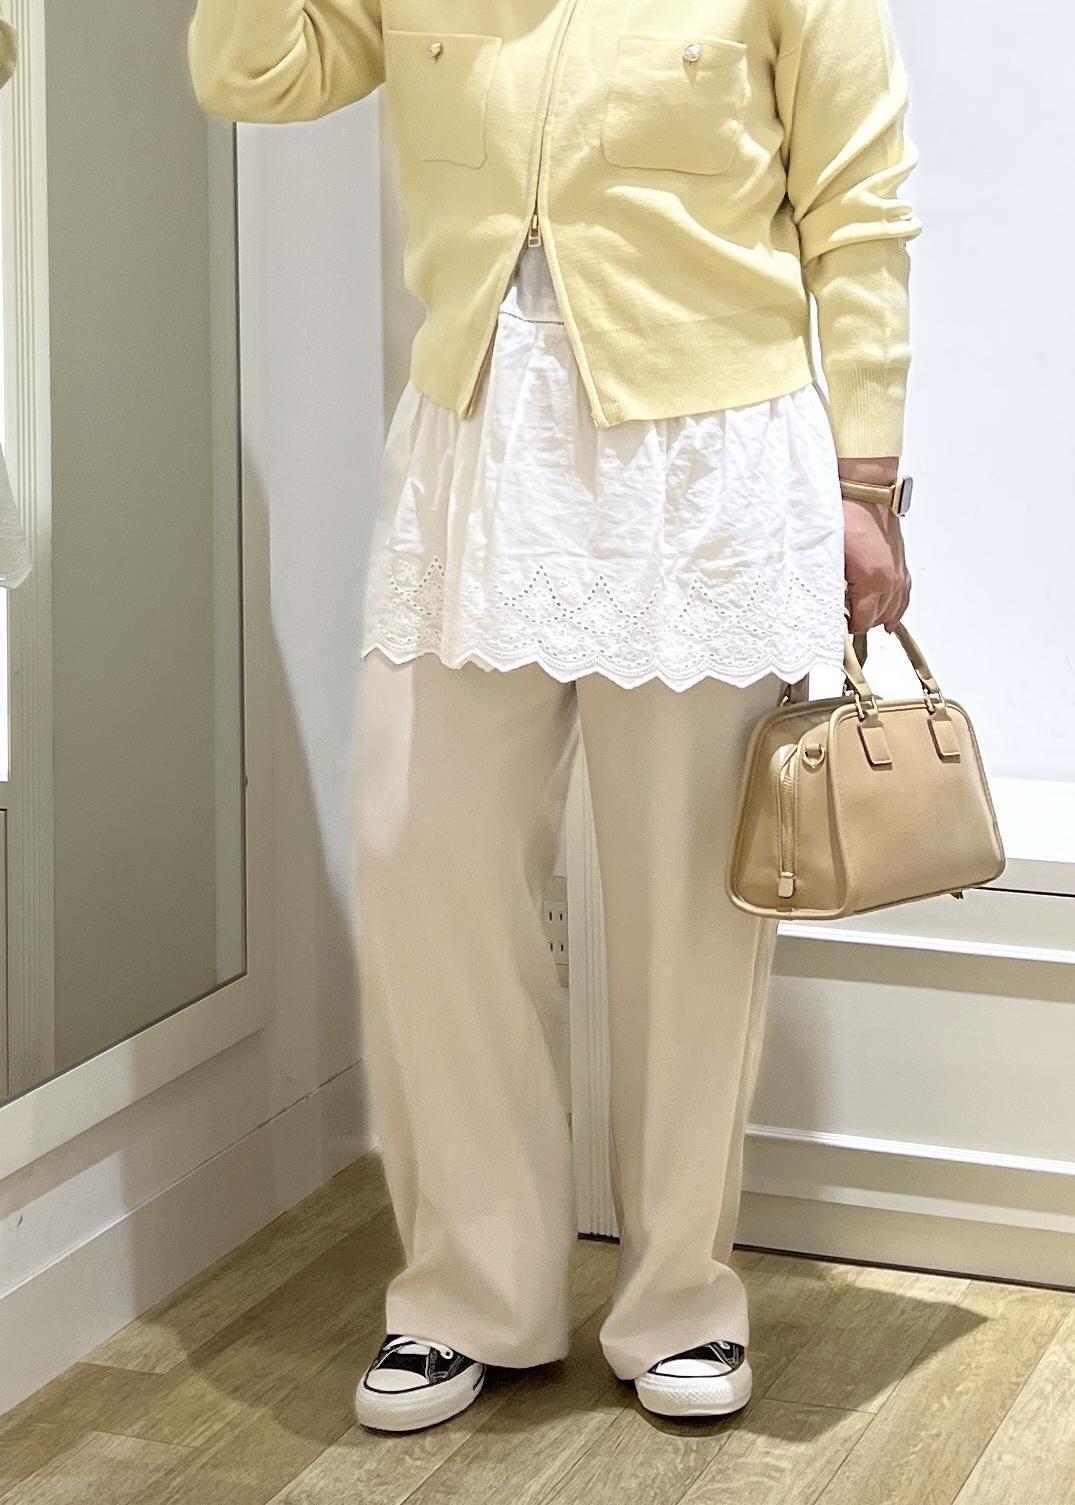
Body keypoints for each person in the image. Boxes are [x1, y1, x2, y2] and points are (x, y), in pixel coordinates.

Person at [187, 0, 920, 1432]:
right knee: (420, 853)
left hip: (701, 460)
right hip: (479, 442)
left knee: (687, 902)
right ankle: (475, 1289)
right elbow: (250, 70)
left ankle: (681, 1298)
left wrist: (865, 480)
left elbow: (861, 204)